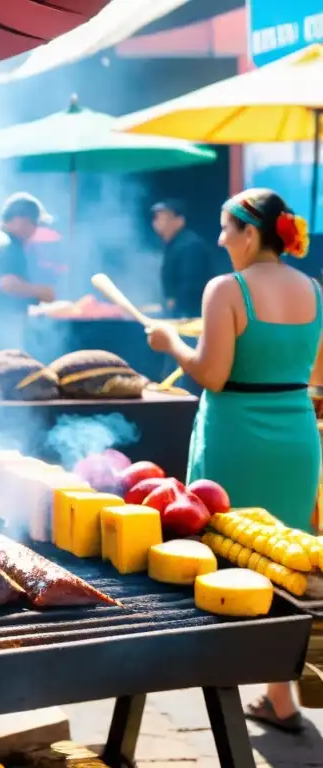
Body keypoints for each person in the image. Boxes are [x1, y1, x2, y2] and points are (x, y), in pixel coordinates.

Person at [146, 188, 320, 734]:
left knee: (224, 550)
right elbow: (318, 376)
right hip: (295, 434)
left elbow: (212, 374)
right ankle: (281, 696)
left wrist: (171, 342)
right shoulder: (314, 289)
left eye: (225, 228)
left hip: (235, 433)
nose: (219, 239)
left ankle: (220, 682)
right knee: (285, 558)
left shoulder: (226, 288)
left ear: (249, 232)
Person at [0, 193, 56, 351]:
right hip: (0, 327)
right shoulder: (7, 245)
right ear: (19, 220)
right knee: (5, 371)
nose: (35, 229)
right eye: (34, 223)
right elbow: (8, 284)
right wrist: (43, 291)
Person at [153, 199, 224, 318]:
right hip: (180, 313)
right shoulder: (171, 245)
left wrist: (177, 308)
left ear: (179, 221)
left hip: (194, 316)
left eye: (164, 218)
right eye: (156, 218)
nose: (158, 222)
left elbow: (191, 286)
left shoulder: (190, 245)